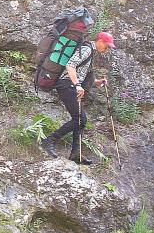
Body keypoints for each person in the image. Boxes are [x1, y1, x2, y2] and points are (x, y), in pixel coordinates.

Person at [41, 30, 116, 164]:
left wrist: (98, 82)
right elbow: (70, 65)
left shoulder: (91, 53)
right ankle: (49, 141)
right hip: (67, 85)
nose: (107, 49)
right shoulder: (87, 49)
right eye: (107, 45)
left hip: (71, 85)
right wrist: (77, 85)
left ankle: (76, 154)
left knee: (80, 121)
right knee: (80, 119)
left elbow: (81, 73)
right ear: (100, 41)